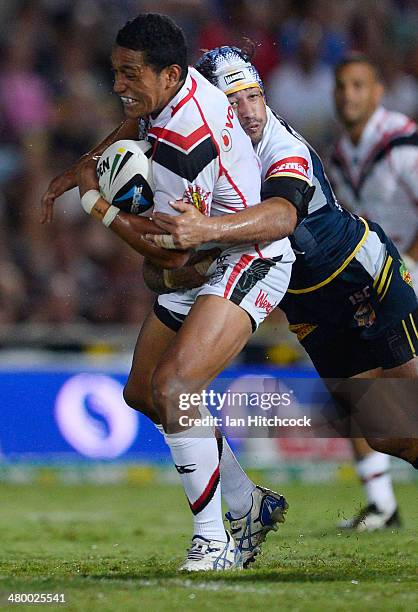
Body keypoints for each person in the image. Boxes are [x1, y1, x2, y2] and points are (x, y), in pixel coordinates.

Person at [42, 14, 293, 571]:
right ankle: (248, 502)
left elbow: (172, 255)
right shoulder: (171, 94)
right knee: (143, 393)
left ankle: (213, 542)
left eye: (130, 74)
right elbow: (133, 123)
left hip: (247, 256)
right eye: (116, 72)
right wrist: (81, 167)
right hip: (205, 256)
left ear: (171, 74)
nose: (118, 86)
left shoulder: (186, 141)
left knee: (177, 386)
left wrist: (96, 204)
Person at [144, 43, 418, 501]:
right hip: (311, 307)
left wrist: (202, 231)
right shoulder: (212, 155)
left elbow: (281, 217)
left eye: (255, 96)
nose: (250, 111)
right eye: (235, 101)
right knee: (388, 435)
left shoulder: (280, 144)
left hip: (362, 279)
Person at [324, 54, 418, 530]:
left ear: (378, 92)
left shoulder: (403, 142)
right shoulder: (340, 157)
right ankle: (381, 503)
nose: (349, 95)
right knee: (356, 390)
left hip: (409, 279)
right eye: (342, 86)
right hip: (377, 286)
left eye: (359, 85)